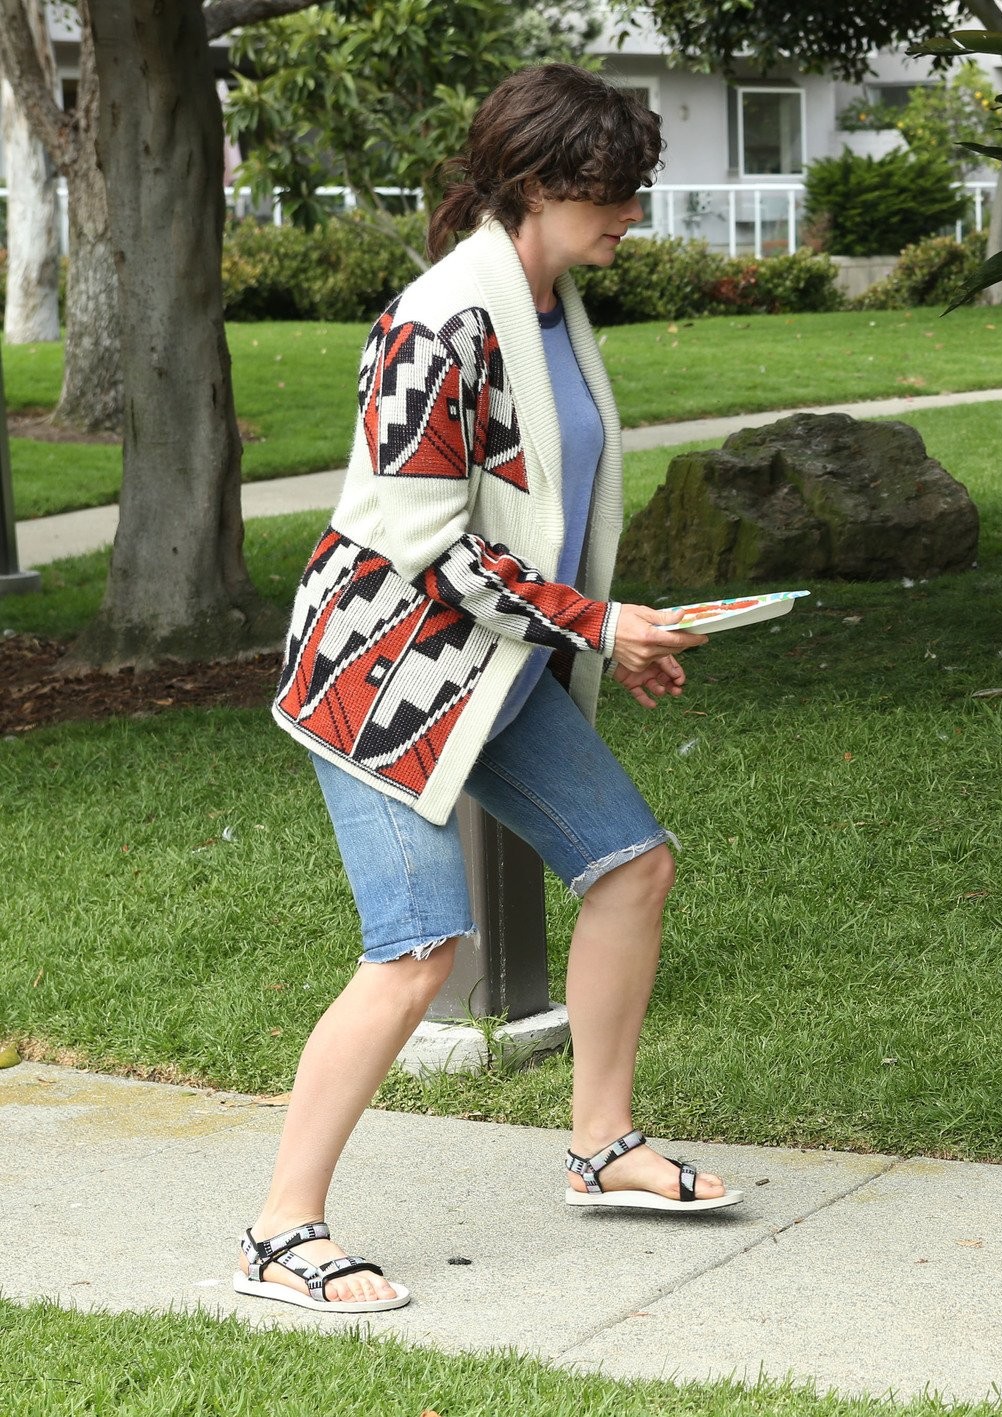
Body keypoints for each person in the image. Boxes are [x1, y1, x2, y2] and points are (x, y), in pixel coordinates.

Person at [240, 65, 734, 1316]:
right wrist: (597, 623)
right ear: (538, 182)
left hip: (498, 671)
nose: (630, 213)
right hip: (386, 678)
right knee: (418, 952)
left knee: (631, 866)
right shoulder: (438, 320)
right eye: (610, 191)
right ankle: (280, 1230)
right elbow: (429, 546)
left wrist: (605, 632)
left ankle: (601, 1146)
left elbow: (546, 509)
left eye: (631, 189)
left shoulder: (551, 301)